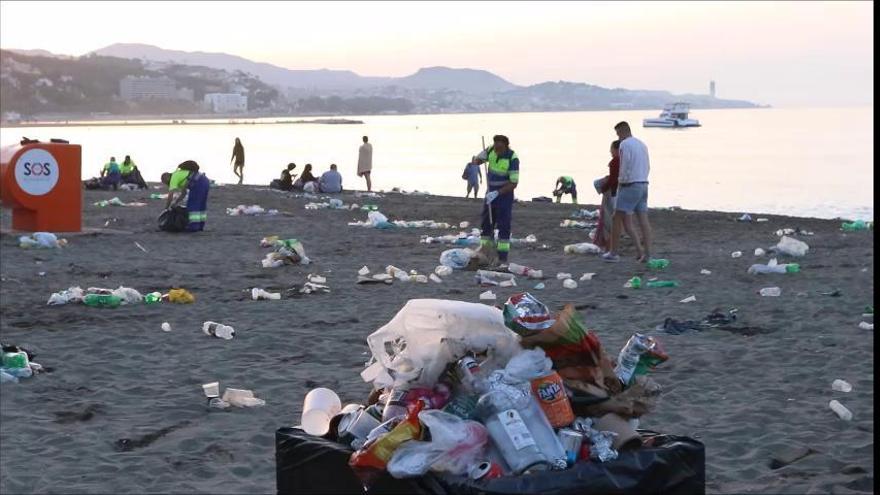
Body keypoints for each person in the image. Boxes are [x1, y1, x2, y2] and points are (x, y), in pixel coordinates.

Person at [603, 122, 653, 263]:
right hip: (643, 184)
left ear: (622, 132)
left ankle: (613, 253)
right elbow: (648, 165)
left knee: (616, 217)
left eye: (618, 134)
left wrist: (621, 182)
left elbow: (625, 165)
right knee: (643, 219)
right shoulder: (642, 144)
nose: (618, 138)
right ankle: (647, 254)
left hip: (630, 185)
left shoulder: (625, 145)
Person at [474, 134, 519, 265]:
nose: (496, 150)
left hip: (504, 195)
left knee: (504, 226)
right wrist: (478, 159)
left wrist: (497, 193)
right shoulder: (490, 150)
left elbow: (514, 183)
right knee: (486, 224)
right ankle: (485, 252)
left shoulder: (512, 158)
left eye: (499, 147)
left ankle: (502, 257)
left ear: (505, 145)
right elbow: (476, 162)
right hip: (490, 193)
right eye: (495, 147)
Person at [163, 160, 210, 232]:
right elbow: (183, 193)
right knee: (201, 205)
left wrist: (166, 208)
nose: (167, 185)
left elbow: (170, 195)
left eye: (166, 183)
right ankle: (200, 225)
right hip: (205, 181)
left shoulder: (174, 177)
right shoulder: (179, 174)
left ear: (167, 178)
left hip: (197, 183)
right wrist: (175, 202)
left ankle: (194, 227)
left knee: (193, 204)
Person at [594, 140, 620, 250]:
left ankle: (609, 248)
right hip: (620, 192)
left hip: (612, 193)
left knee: (608, 222)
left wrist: (604, 189)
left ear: (617, 150)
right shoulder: (624, 161)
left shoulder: (615, 162)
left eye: (612, 148)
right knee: (615, 221)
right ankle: (612, 247)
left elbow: (613, 180)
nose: (610, 151)